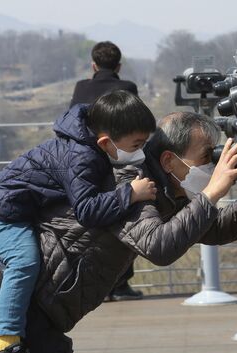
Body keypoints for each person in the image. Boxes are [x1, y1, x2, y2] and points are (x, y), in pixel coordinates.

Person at [0, 111, 237, 353]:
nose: (212, 167)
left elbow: (213, 228)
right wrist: (212, 192)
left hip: (43, 319)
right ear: (169, 160)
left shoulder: (165, 191)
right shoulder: (131, 185)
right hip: (13, 320)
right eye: (207, 157)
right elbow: (159, 246)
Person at [0, 90, 157, 353]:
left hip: (23, 205)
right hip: (2, 210)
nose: (141, 150)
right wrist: (131, 194)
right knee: (24, 262)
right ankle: (5, 347)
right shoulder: (82, 157)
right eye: (137, 145)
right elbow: (87, 210)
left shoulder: (91, 146)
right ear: (106, 143)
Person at [70, 40, 143, 301]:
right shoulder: (127, 87)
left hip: (86, 163)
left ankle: (92, 286)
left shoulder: (81, 87)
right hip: (118, 163)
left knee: (90, 226)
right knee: (124, 219)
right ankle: (120, 285)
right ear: (119, 66)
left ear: (93, 65)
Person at [69, 41, 138, 107]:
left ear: (94, 66)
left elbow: (73, 115)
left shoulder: (81, 86)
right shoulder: (129, 87)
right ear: (119, 67)